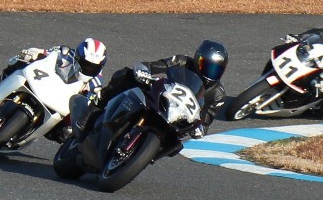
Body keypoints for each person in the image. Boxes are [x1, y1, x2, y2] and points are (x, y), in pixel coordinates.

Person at [84, 39, 229, 138]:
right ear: (197, 59)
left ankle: (142, 154)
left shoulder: (218, 95)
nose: (210, 73)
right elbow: (157, 66)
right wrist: (145, 71)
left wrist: (199, 128)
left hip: (178, 122)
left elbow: (205, 122)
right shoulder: (182, 61)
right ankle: (99, 102)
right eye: (206, 66)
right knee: (127, 74)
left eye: (216, 69)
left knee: (176, 146)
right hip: (162, 99)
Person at [0, 38, 107, 102]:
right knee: (24, 61)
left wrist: (92, 98)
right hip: (45, 81)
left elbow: (93, 98)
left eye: (93, 67)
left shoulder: (97, 81)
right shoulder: (66, 53)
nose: (88, 68)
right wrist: (33, 53)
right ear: (78, 56)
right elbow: (46, 52)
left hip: (61, 102)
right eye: (85, 64)